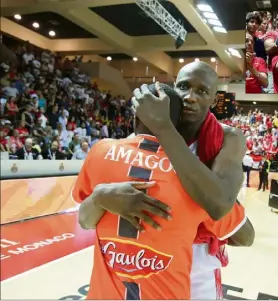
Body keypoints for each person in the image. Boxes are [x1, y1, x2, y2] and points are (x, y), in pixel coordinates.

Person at [77, 62, 254, 299]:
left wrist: (191, 226)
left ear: (213, 100)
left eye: (201, 91)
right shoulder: (140, 138)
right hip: (142, 254)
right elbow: (87, 218)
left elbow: (220, 205)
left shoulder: (227, 136)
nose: (190, 97)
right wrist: (101, 197)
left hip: (197, 257)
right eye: (183, 87)